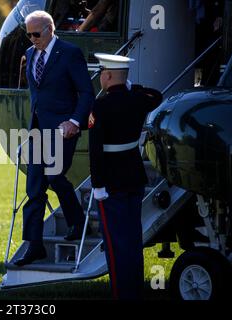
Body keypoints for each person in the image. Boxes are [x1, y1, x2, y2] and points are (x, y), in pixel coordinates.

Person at [14, 10, 95, 266]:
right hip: (37, 130)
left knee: (55, 176)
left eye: (36, 34)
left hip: (63, 128)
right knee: (34, 188)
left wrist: (74, 121)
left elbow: (86, 92)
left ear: (49, 29)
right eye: (28, 35)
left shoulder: (69, 53)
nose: (32, 39)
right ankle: (34, 245)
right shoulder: (29, 54)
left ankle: (77, 222)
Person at [88, 53, 162, 299]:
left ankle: (122, 295)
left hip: (110, 182)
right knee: (132, 240)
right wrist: (132, 87)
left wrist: (98, 185)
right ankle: (134, 291)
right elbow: (156, 96)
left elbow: (95, 151)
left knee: (115, 244)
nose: (100, 77)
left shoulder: (100, 106)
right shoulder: (137, 100)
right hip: (133, 177)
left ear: (107, 75)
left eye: (101, 73)